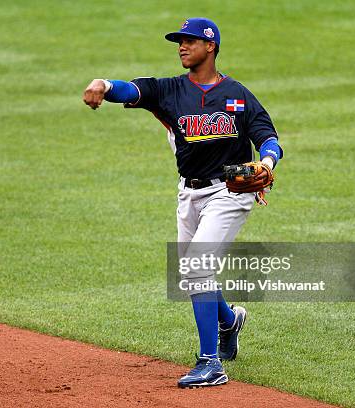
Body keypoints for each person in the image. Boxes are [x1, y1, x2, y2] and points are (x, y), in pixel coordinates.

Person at [82, 17, 282, 388]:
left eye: (189, 41)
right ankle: (229, 320)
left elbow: (269, 138)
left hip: (230, 192)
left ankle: (211, 364)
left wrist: (267, 162)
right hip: (188, 193)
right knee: (193, 271)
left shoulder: (237, 94)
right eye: (179, 41)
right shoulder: (170, 90)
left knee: (196, 268)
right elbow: (131, 90)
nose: (181, 46)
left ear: (211, 46)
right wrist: (104, 85)